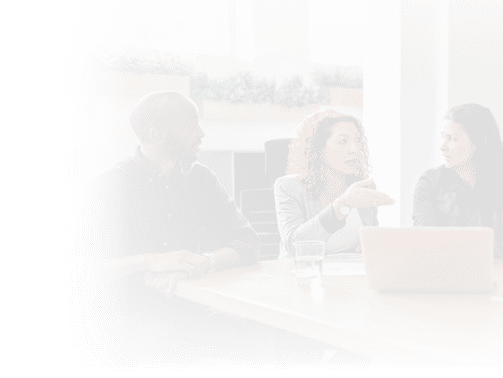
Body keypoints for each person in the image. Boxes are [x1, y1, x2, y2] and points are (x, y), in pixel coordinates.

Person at [80, 91, 273, 365]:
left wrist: (200, 262)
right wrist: (150, 261)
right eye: (191, 125)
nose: (201, 133)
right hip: (123, 317)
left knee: (264, 333)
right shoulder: (106, 187)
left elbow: (248, 243)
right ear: (157, 135)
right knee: (160, 342)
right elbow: (78, 270)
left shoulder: (201, 179)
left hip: (189, 308)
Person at [412, 103, 503, 261]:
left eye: (452, 139)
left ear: (480, 141)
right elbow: (425, 244)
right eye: (443, 137)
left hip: (500, 274)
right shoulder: (430, 183)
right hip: (445, 272)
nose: (442, 147)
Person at [275, 109, 395, 258]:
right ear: (319, 149)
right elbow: (294, 246)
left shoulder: (363, 187)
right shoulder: (288, 187)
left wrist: (370, 245)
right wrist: (343, 205)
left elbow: (370, 237)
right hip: (304, 269)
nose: (354, 149)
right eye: (343, 141)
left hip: (351, 268)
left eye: (358, 140)